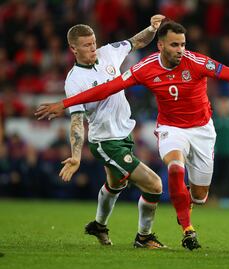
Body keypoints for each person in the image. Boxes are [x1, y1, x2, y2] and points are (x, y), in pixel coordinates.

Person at [35, 20, 229, 250]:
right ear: (162, 46)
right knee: (169, 173)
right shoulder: (144, 68)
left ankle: (105, 223)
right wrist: (64, 104)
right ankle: (184, 230)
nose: (181, 50)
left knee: (197, 196)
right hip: (169, 128)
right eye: (175, 45)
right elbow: (106, 89)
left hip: (201, 129)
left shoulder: (196, 62)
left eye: (183, 44)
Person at [43, 15, 167, 249]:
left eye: (93, 42)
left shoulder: (108, 52)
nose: (93, 48)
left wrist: (152, 28)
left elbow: (136, 42)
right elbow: (77, 121)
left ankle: (98, 226)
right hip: (105, 142)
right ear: (73, 49)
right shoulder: (74, 80)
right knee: (155, 185)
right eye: (87, 45)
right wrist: (76, 155)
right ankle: (144, 237)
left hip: (124, 135)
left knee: (116, 185)